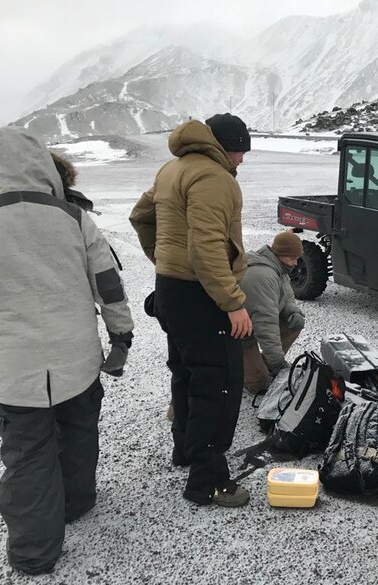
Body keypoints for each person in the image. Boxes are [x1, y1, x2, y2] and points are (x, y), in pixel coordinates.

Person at [0, 126, 134, 575]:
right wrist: (120, 336)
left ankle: (33, 553)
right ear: (48, 169)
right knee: (78, 430)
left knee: (27, 453)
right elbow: (108, 285)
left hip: (13, 366)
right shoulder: (74, 218)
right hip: (76, 356)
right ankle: (75, 503)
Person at [129, 113, 252, 508]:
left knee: (186, 373)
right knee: (218, 383)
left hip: (172, 291)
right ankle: (208, 481)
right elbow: (205, 247)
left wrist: (165, 261)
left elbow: (140, 216)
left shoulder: (173, 169)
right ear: (224, 146)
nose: (242, 159)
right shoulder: (214, 177)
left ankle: (184, 449)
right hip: (203, 295)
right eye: (240, 150)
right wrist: (233, 303)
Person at [241, 231, 305, 393]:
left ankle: (266, 363)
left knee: (293, 323)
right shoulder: (263, 276)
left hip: (252, 324)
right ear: (280, 254)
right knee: (259, 385)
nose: (295, 263)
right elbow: (266, 325)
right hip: (239, 335)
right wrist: (278, 362)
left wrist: (293, 312)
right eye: (292, 258)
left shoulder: (279, 267)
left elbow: (286, 295)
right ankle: (235, 368)